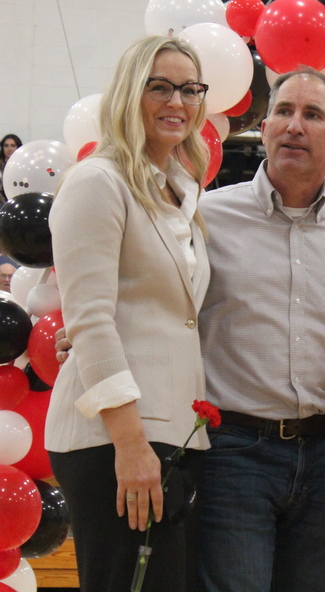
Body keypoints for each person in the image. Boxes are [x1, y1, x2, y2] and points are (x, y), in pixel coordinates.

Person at [195, 68, 325, 591]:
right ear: (263, 126)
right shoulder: (207, 217)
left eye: (312, 114)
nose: (295, 126)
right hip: (234, 453)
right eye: (283, 111)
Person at [46, 36, 212, 592]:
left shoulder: (181, 190)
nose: (177, 102)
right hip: (116, 440)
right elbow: (90, 321)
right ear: (128, 92)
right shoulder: (98, 180)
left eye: (190, 89)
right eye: (159, 87)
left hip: (170, 433)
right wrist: (131, 443)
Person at [1, 133, 23, 201]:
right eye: (6, 146)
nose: (9, 149)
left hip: (17, 197)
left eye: (12, 146)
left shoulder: (22, 165)